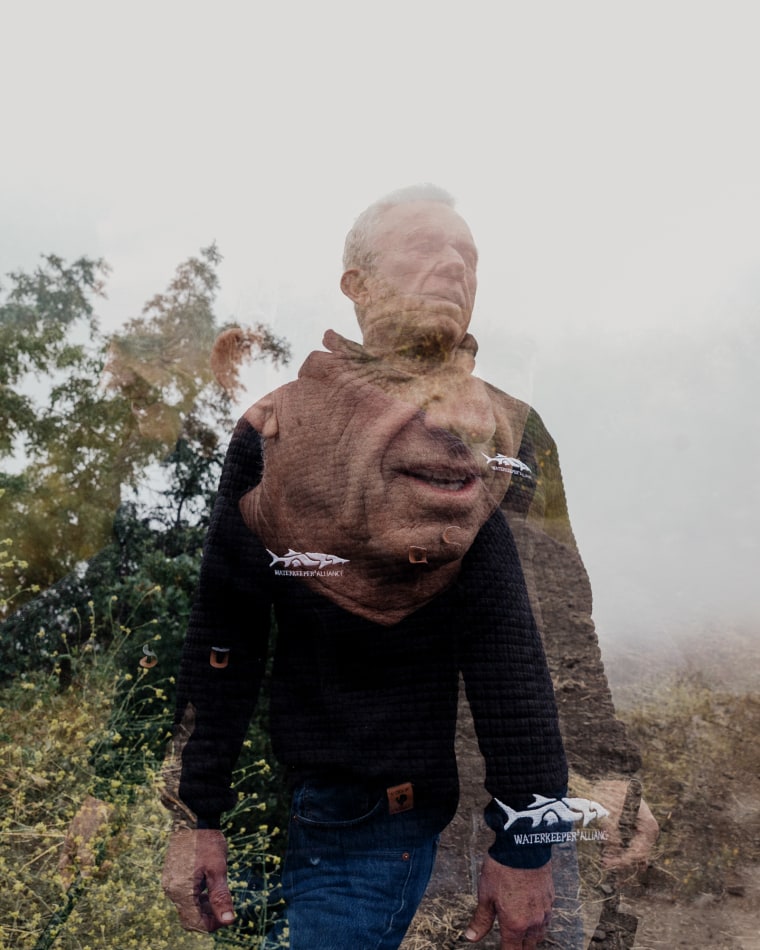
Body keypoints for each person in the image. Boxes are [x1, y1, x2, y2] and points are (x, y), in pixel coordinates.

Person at [161, 186, 656, 949]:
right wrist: (199, 817)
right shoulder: (279, 433)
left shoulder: (513, 431)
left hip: (516, 806)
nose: (453, 266)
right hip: (354, 824)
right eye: (423, 248)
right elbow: (225, 636)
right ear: (355, 283)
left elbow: (557, 628)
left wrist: (598, 784)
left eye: (467, 256)